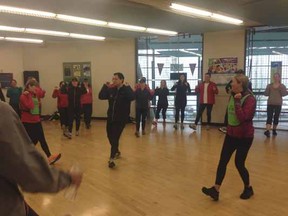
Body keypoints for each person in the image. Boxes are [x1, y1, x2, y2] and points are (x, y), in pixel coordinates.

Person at [0, 100, 82, 216]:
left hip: (36, 121)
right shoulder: (3, 111)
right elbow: (25, 169)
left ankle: (49, 155)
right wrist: (67, 178)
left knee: (39, 140)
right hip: (6, 208)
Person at [202, 74, 256, 201]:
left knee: (239, 163)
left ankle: (248, 188)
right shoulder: (232, 94)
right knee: (223, 161)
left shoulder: (250, 99)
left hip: (245, 137)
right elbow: (230, 114)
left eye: (233, 82)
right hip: (231, 134)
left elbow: (244, 118)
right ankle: (216, 189)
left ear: (240, 84)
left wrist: (238, 102)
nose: (231, 84)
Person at [20, 79, 61, 165]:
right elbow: (30, 106)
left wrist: (43, 92)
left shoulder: (34, 94)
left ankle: (48, 157)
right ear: (29, 87)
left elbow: (41, 94)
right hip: (28, 122)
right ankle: (25, 156)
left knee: (39, 139)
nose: (36, 89)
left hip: (36, 120)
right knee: (32, 140)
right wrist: (29, 97)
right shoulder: (23, 96)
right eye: (34, 87)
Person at [98, 72, 134, 168]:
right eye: (113, 78)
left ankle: (111, 159)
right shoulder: (111, 90)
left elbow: (132, 97)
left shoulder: (125, 90)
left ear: (121, 80)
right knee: (109, 136)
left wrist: (128, 87)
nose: (113, 80)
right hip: (111, 118)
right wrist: (105, 86)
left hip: (121, 119)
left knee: (115, 138)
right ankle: (116, 151)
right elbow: (101, 96)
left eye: (116, 79)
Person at [219, 69, 253, 134]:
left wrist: (240, 97)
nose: (232, 84)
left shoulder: (249, 97)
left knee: (239, 114)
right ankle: (226, 126)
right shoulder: (233, 83)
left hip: (242, 132)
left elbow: (249, 91)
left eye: (240, 74)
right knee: (229, 112)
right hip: (234, 98)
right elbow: (227, 88)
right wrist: (231, 91)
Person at [264, 72, 288, 137]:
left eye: (277, 76)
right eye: (274, 76)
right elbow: (266, 94)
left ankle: (274, 130)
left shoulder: (282, 86)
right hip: (270, 103)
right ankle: (267, 131)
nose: (275, 78)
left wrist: (284, 91)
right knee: (269, 117)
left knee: (276, 117)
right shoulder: (269, 85)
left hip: (278, 103)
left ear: (279, 78)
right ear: (273, 78)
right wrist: (267, 89)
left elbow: (284, 94)